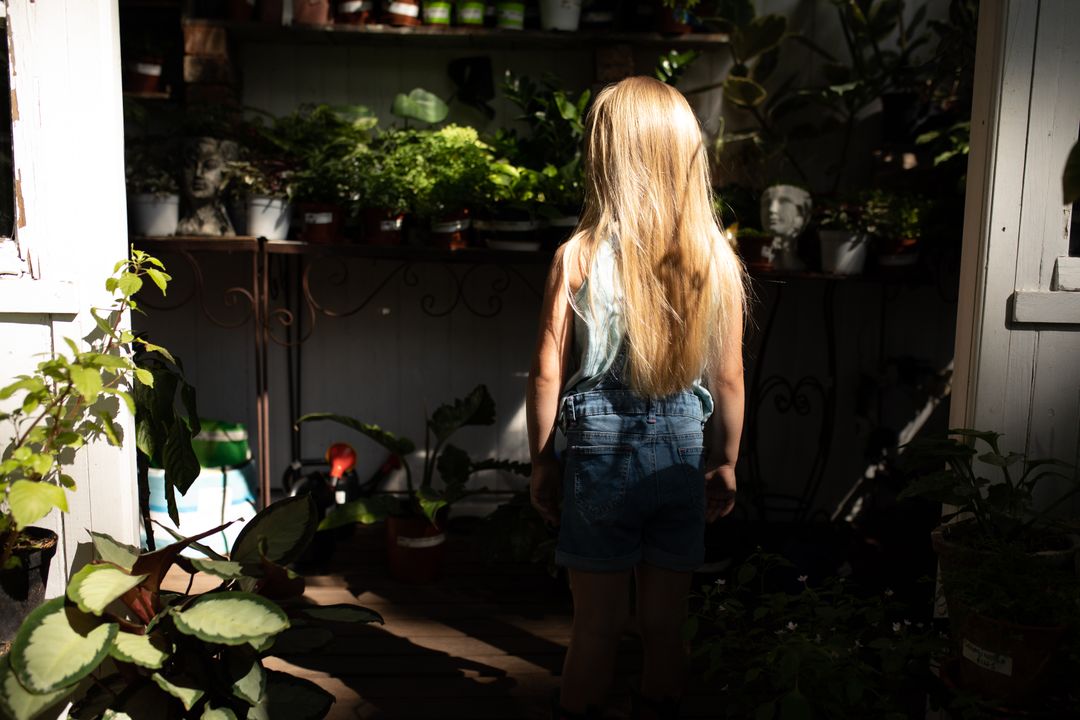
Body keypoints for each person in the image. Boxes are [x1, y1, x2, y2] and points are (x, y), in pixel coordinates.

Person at [526, 76, 746, 720]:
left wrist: (542, 460)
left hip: (598, 456)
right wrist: (725, 459)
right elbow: (728, 378)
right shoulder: (716, 259)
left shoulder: (578, 257)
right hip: (682, 451)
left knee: (596, 626)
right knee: (664, 622)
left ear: (604, 159)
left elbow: (545, 373)